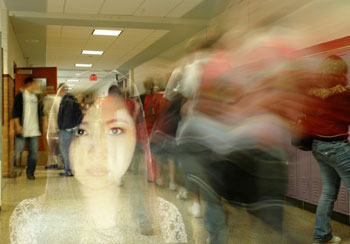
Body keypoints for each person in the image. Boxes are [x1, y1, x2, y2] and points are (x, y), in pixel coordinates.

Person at [10, 85, 188, 244]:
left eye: (115, 131)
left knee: (136, 186)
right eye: (82, 132)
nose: (97, 150)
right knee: (136, 185)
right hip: (138, 149)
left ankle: (141, 219)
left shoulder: (168, 218)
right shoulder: (32, 219)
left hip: (137, 150)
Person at [302, 55, 350, 244]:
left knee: (328, 192)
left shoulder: (311, 95)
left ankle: (322, 236)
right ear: (341, 73)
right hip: (337, 147)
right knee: (329, 191)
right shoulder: (344, 95)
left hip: (318, 147)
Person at [11, 76, 44, 180]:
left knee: (33, 154)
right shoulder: (20, 96)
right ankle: (14, 170)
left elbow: (40, 113)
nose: (36, 86)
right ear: (30, 84)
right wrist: (17, 126)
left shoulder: (37, 97)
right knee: (18, 152)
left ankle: (30, 172)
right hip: (23, 130)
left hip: (34, 130)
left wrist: (43, 127)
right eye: (35, 83)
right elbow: (15, 112)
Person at [57, 92, 83, 177]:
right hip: (74, 129)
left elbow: (62, 117)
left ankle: (68, 170)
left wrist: (62, 127)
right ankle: (73, 169)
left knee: (65, 150)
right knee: (72, 150)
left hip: (65, 130)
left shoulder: (64, 102)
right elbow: (80, 116)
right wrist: (75, 125)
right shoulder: (76, 103)